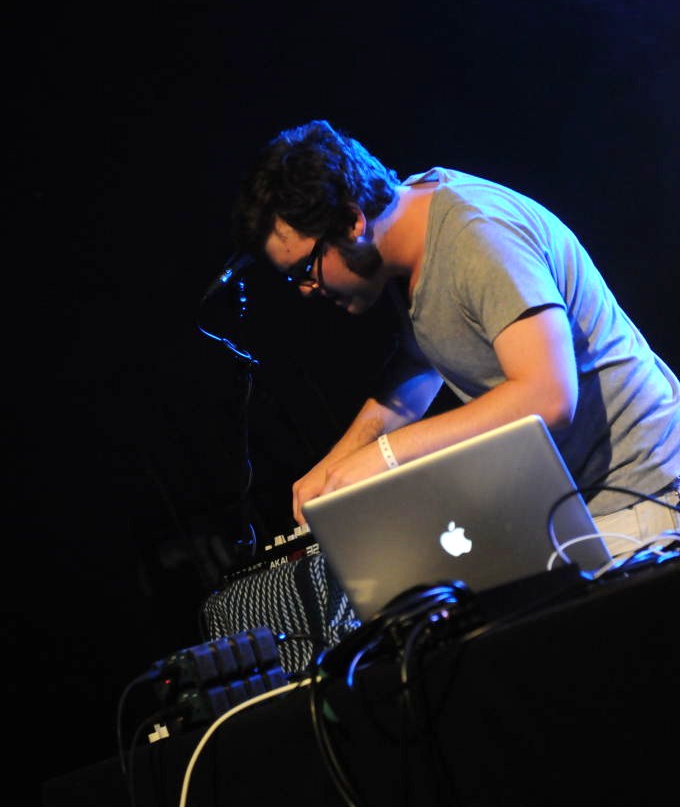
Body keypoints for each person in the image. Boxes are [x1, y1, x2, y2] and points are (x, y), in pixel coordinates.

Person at [231, 118, 680, 559]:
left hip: (646, 497)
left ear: (352, 221)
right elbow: (421, 361)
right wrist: (339, 462)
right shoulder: (405, 240)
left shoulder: (475, 236)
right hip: (578, 507)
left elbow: (549, 397)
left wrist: (386, 455)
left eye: (304, 270)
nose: (307, 290)